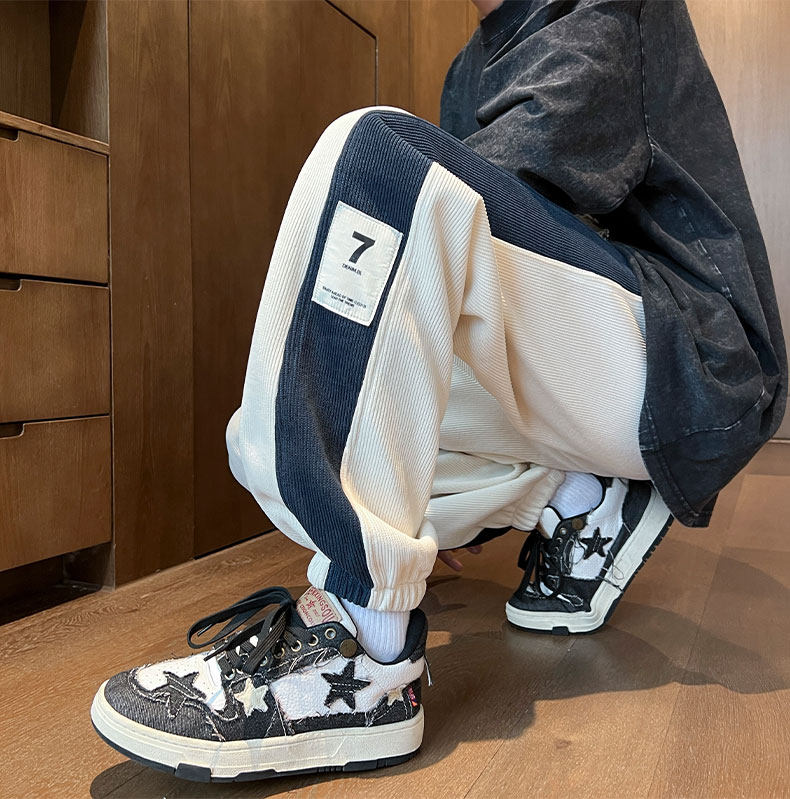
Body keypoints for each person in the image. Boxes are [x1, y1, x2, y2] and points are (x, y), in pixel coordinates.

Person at [90, 0, 786, 783]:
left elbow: (515, 186)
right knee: (269, 424)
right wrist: (412, 473)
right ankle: (583, 498)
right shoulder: (469, 67)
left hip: (699, 362)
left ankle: (364, 647)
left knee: (378, 155)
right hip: (598, 364)